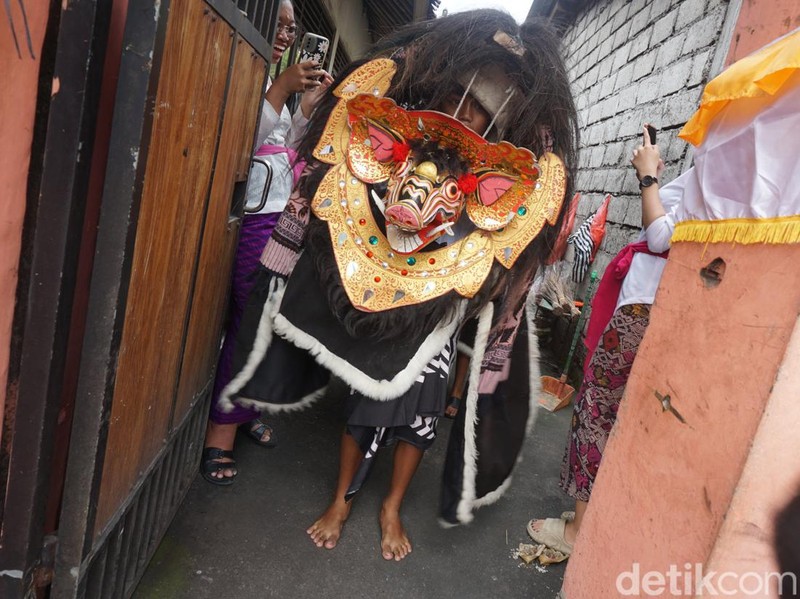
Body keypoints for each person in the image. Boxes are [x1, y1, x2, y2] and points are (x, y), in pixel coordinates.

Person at [219, 9, 579, 559]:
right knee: (367, 398)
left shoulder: (514, 169)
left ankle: (390, 506)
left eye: (485, 107)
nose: (471, 112)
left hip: (449, 295)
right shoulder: (404, 126)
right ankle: (342, 498)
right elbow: (335, 164)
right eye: (466, 96)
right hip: (382, 272)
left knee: (422, 413)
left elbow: (522, 242)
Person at [527, 124, 685, 556]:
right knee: (606, 411)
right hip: (644, 307)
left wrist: (648, 176)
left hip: (643, 311)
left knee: (596, 411)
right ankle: (586, 516)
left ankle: (577, 533)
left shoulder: (726, 169)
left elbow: (660, 236)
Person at [201, 0, 333, 485]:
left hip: (282, 218)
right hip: (255, 220)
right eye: (276, 24)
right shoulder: (240, 69)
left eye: (292, 28)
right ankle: (220, 435)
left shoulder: (272, 77)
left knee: (268, 325)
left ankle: (244, 409)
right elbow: (238, 141)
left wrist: (304, 110)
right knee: (250, 321)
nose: (285, 34)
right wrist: (279, 89)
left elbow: (285, 145)